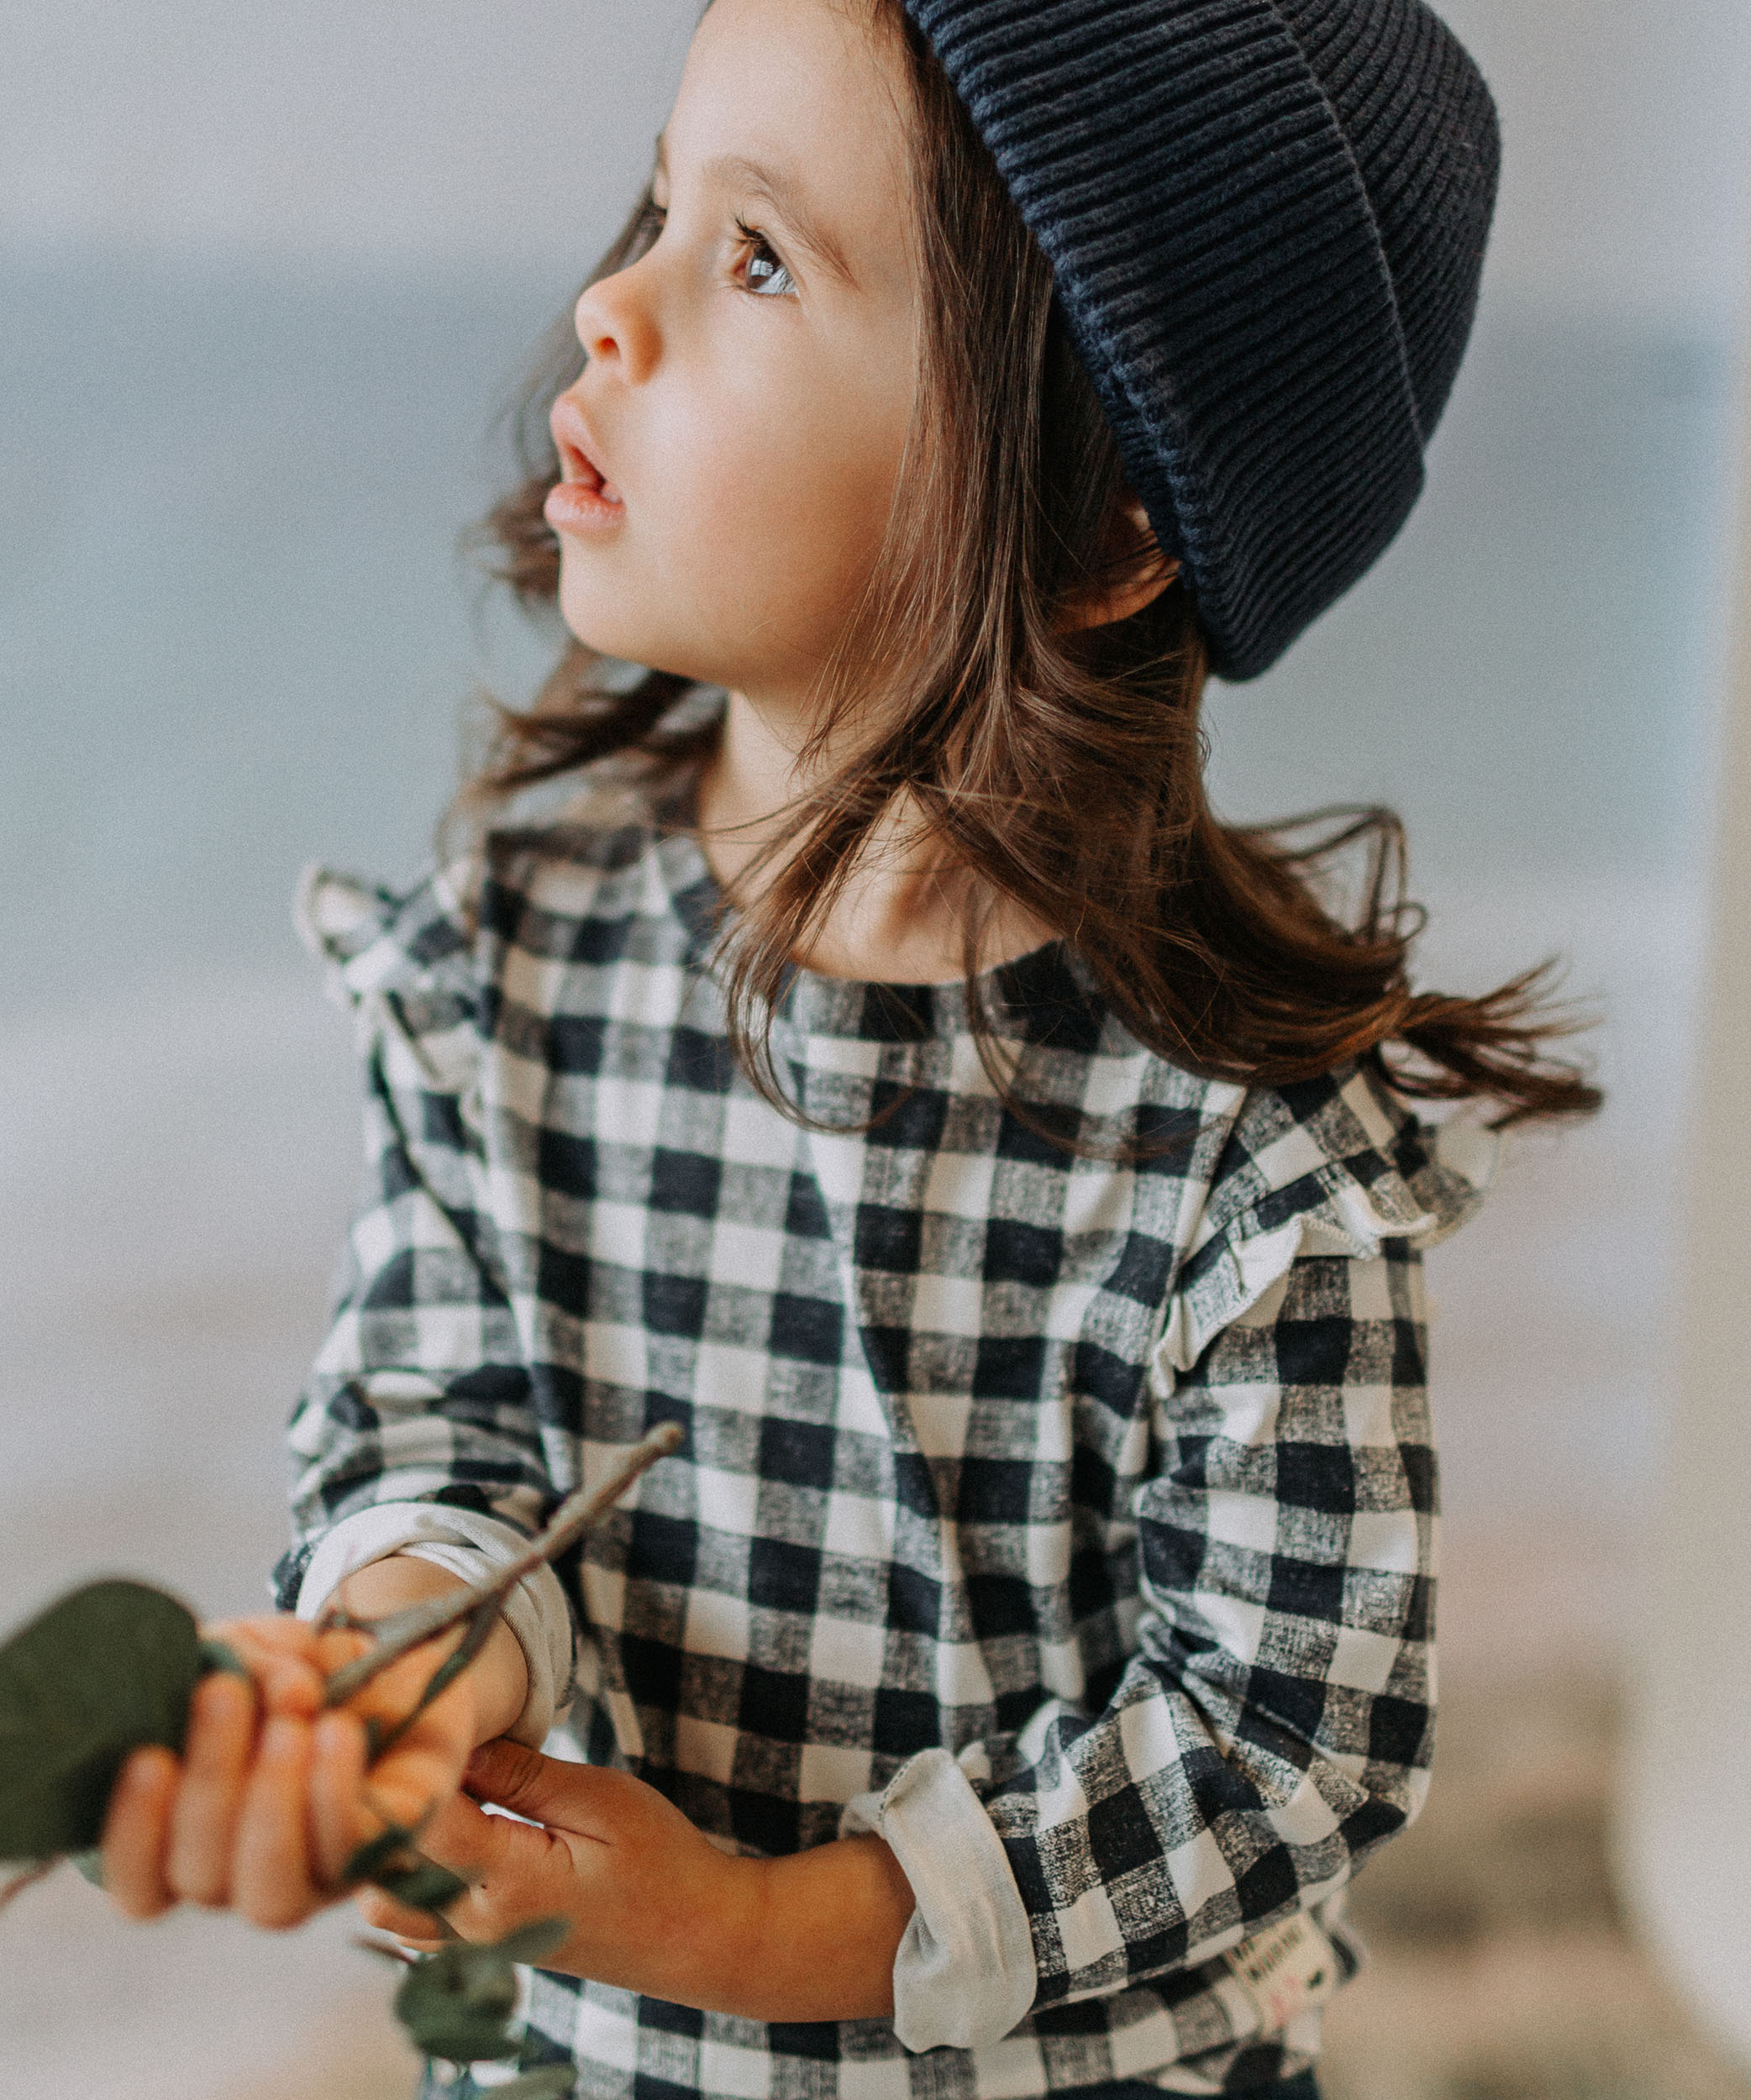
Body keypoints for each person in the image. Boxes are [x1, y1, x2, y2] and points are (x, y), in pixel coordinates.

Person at [98, 2, 1600, 2094]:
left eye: (757, 258)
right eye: (657, 204)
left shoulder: (1247, 1163)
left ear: (1096, 533)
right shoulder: (508, 973)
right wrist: (399, 1663)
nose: (602, 308)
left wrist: (756, 1928)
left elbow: (1276, 1742)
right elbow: (436, 1418)